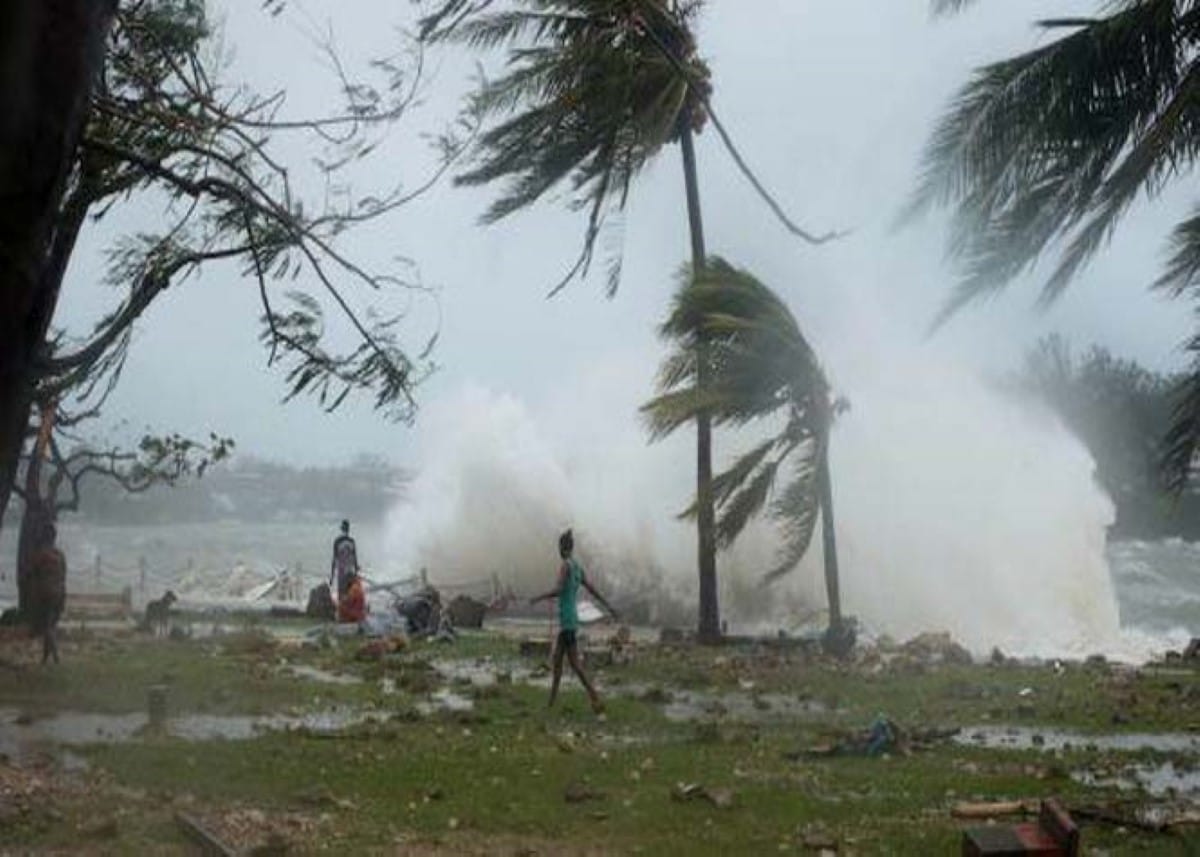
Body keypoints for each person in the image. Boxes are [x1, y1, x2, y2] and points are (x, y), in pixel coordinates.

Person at [529, 529, 618, 714]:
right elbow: (592, 589)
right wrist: (608, 605)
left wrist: (539, 597)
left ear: (563, 548)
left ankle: (594, 697)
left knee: (575, 665)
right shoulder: (577, 568)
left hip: (567, 622)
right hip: (570, 621)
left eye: (559, 547)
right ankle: (551, 703)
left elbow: (559, 589)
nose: (559, 550)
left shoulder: (565, 566)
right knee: (558, 662)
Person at [28, 521, 66, 664]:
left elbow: (32, 575)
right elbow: (63, 577)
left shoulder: (40, 555)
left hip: (45, 594)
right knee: (50, 624)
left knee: (47, 626)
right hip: (59, 593)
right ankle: (45, 658)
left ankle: (56, 657)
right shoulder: (60, 555)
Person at [329, 520, 358, 600]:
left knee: (341, 597)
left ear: (341, 529)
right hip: (351, 572)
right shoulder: (352, 542)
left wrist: (332, 576)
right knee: (350, 596)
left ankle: (342, 611)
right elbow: (355, 559)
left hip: (342, 573)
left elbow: (334, 559)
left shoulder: (337, 541)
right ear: (348, 529)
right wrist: (356, 572)